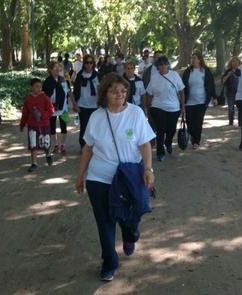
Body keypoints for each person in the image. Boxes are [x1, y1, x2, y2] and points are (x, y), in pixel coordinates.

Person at [75, 73, 155, 282]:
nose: (120, 94)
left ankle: (130, 234)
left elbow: (145, 144)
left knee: (132, 213)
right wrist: (80, 176)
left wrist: (148, 169)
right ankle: (110, 262)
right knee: (105, 221)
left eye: (123, 90)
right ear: (105, 94)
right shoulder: (96, 117)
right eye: (114, 91)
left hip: (129, 176)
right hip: (99, 177)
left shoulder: (136, 113)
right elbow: (87, 149)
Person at [145, 55, 185, 161]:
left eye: (164, 65)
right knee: (160, 130)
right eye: (160, 66)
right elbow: (149, 93)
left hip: (173, 108)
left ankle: (168, 143)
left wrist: (183, 106)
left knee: (171, 130)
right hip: (158, 107)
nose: (162, 68)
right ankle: (160, 152)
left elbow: (181, 91)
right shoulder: (154, 78)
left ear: (167, 65)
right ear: (157, 67)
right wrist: (148, 108)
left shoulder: (175, 75)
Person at [181, 52, 216, 149]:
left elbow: (211, 85)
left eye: (194, 58)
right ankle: (192, 135)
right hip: (189, 101)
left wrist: (214, 97)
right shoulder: (188, 71)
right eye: (191, 58)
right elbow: (182, 86)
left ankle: (196, 141)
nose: (192, 60)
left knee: (198, 122)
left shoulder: (205, 71)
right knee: (190, 121)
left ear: (199, 60)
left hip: (201, 101)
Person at [20, 78, 55, 171]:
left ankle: (47, 154)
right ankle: (34, 163)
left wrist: (42, 115)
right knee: (33, 144)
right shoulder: (28, 99)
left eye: (40, 87)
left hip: (44, 125)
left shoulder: (45, 98)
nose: (39, 89)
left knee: (45, 143)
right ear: (31, 87)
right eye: (36, 86)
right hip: (32, 125)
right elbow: (25, 113)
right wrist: (22, 124)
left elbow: (51, 110)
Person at [43, 61, 72, 155]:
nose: (57, 69)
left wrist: (74, 104)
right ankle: (55, 145)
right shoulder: (47, 82)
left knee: (64, 127)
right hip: (52, 109)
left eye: (58, 67)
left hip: (64, 108)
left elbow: (69, 92)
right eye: (54, 67)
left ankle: (63, 145)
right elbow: (44, 97)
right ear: (50, 70)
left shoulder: (64, 80)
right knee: (52, 128)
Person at [73, 54, 100, 149]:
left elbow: (100, 89)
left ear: (93, 64)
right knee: (84, 126)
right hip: (82, 105)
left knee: (94, 127)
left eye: (91, 63)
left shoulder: (97, 75)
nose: (89, 65)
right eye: (87, 63)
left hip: (94, 105)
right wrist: (74, 104)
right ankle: (83, 146)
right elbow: (75, 91)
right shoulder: (80, 76)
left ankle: (94, 146)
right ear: (84, 64)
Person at [221, 56, 242, 126]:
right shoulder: (227, 71)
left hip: (240, 92)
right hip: (230, 92)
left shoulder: (241, 71)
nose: (235, 63)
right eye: (233, 61)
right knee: (231, 107)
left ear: (239, 63)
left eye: (236, 61)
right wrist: (229, 74)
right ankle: (231, 121)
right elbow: (223, 81)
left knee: (240, 108)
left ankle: (240, 122)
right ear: (231, 63)